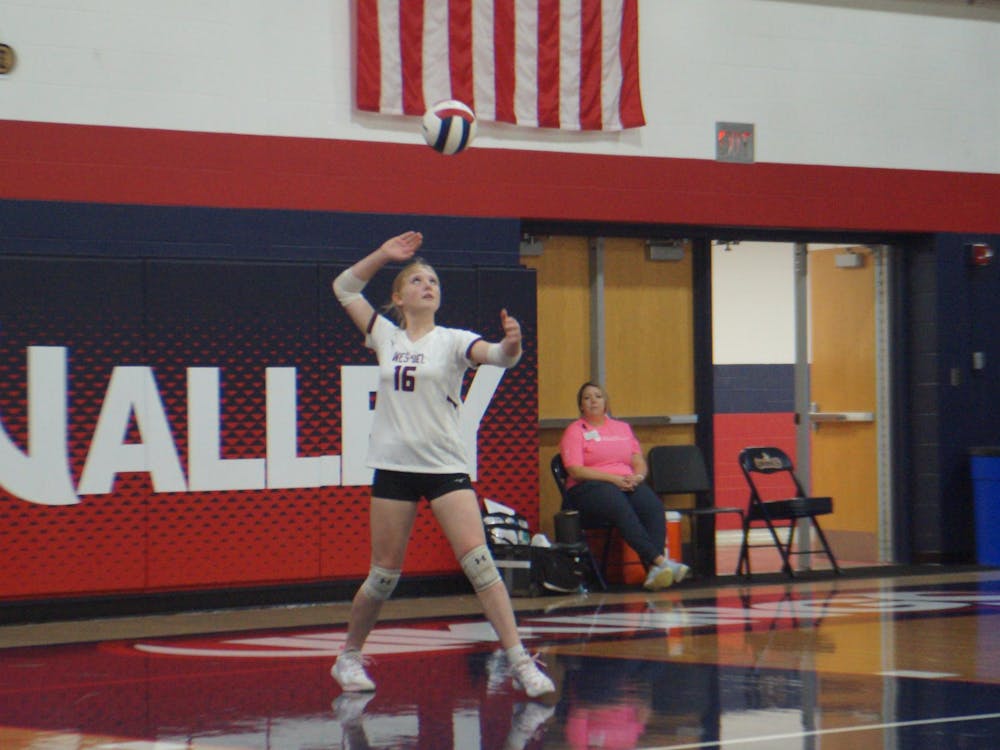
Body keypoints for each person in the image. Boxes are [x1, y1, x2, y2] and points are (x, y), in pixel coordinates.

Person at [329, 230, 555, 698]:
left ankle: (519, 661)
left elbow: (497, 357)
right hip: (394, 466)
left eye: (433, 280)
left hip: (444, 466)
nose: (427, 285)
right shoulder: (385, 336)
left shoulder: (452, 341)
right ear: (398, 297)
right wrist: (385, 254)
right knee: (384, 574)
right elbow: (345, 288)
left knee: (479, 563)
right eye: (416, 280)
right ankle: (349, 657)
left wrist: (511, 345)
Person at [559, 382, 689, 590]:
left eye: (598, 396)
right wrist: (613, 479)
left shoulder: (622, 428)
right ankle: (659, 561)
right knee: (617, 502)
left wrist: (637, 478)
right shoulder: (575, 431)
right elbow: (576, 470)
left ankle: (654, 570)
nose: (593, 401)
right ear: (581, 406)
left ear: (606, 403)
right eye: (587, 397)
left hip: (625, 483)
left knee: (652, 505)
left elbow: (637, 460)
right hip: (588, 488)